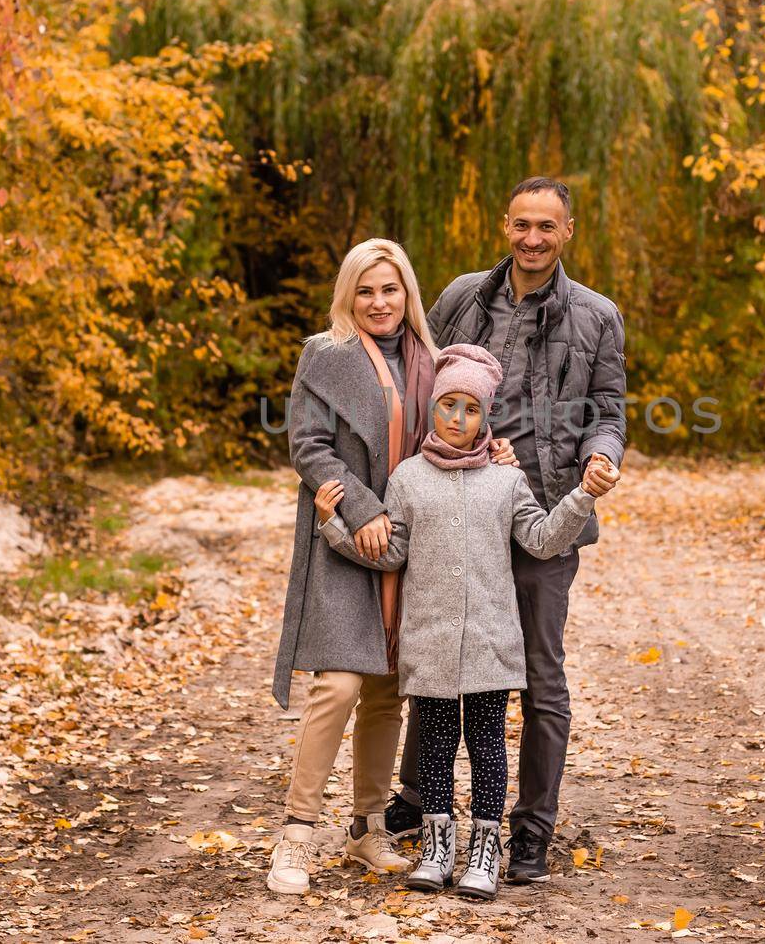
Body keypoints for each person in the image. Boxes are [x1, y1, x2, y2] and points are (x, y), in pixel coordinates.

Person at [386, 177, 628, 885]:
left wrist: (601, 456)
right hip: (451, 507)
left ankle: (530, 830)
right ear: (505, 225)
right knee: (436, 651)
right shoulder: (463, 298)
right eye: (521, 224)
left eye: (545, 227)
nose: (531, 238)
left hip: (541, 511)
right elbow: (414, 383)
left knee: (540, 675)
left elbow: (609, 408)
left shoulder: (595, 316)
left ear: (567, 232)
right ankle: (415, 803)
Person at [313, 345, 621, 900]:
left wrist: (581, 497)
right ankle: (437, 846)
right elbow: (391, 554)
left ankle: (485, 848)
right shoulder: (407, 479)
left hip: (490, 643)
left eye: (471, 409)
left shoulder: (506, 482)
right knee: (432, 746)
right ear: (433, 409)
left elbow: (543, 539)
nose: (458, 419)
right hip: (428, 642)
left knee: (486, 746)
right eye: (448, 405)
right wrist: (335, 526)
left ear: (487, 416)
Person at [267, 240, 516, 895]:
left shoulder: (431, 363)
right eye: (367, 290)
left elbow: (457, 431)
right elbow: (308, 445)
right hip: (348, 538)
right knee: (340, 686)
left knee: (385, 692)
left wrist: (499, 454)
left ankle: (366, 828)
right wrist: (365, 509)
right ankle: (294, 835)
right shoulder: (326, 354)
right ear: (349, 294)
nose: (379, 302)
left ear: (408, 293)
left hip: (414, 548)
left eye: (391, 289)